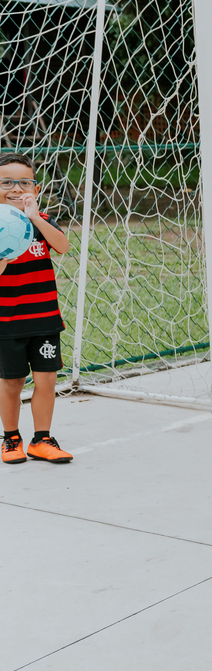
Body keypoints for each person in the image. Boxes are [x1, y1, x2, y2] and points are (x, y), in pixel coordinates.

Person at [0, 153, 72, 464]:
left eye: (24, 182)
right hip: (8, 321)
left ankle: (42, 439)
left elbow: (63, 246)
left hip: (43, 318)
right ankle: (11, 438)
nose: (16, 188)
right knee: (12, 381)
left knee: (46, 379)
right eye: (6, 182)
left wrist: (35, 217)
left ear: (36, 188)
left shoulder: (40, 221)